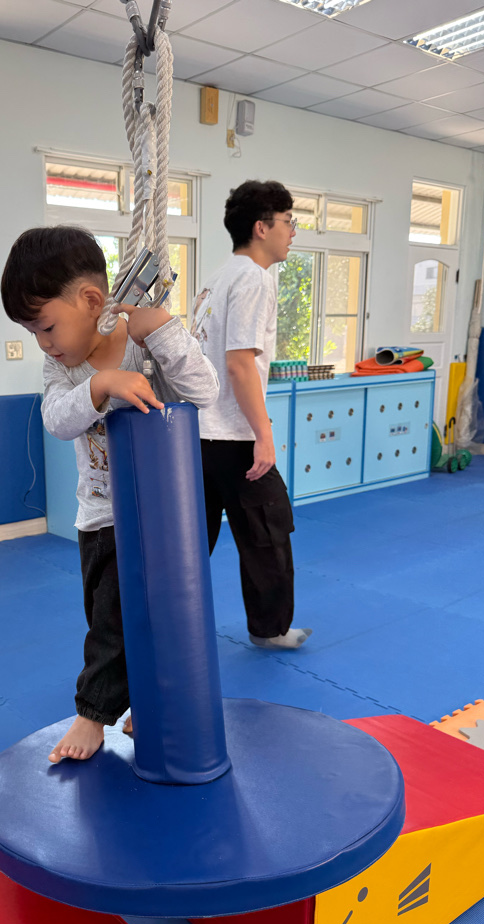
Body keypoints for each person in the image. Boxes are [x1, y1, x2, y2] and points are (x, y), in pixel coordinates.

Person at [1, 226, 219, 763]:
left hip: (166, 516)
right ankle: (130, 702)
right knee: (110, 619)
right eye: (32, 332)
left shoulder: (146, 343)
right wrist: (100, 385)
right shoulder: (63, 366)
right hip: (103, 519)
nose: (44, 343)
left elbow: (205, 391)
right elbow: (57, 419)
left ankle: (105, 712)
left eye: (46, 326)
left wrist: (163, 331)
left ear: (91, 301)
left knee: (150, 621)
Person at [190, 180, 311, 650]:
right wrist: (263, 434)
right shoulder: (255, 278)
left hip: (197, 435)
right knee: (268, 534)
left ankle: (166, 632)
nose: (292, 232)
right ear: (262, 227)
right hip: (232, 436)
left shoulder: (218, 278)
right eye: (288, 222)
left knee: (190, 545)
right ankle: (270, 630)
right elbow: (240, 364)